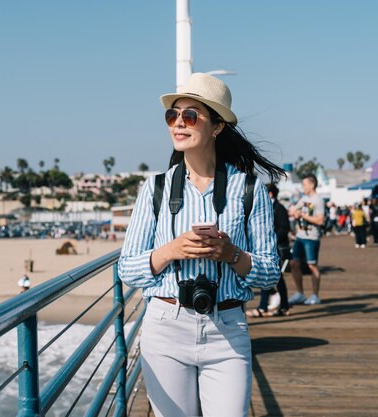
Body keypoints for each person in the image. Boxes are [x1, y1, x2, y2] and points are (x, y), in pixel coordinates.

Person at [118, 73, 284, 417]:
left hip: (227, 328)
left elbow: (269, 273)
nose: (179, 122)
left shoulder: (249, 190)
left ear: (217, 126)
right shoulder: (156, 189)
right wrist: (171, 250)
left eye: (191, 115)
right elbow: (127, 269)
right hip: (165, 327)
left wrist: (231, 254)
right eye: (172, 115)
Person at [247, 183, 291, 317]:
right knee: (278, 279)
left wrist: (270, 238)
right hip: (271, 247)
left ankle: (263, 307)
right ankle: (283, 307)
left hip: (277, 248)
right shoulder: (269, 207)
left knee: (267, 274)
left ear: (270, 194)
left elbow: (284, 228)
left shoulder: (279, 208)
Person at [288, 174, 325, 305]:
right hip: (300, 236)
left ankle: (315, 295)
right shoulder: (304, 199)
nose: (303, 187)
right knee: (294, 264)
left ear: (312, 185)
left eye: (304, 184)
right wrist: (294, 211)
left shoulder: (318, 200)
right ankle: (300, 293)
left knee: (312, 265)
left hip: (312, 237)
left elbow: (320, 220)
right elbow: (292, 211)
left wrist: (302, 214)